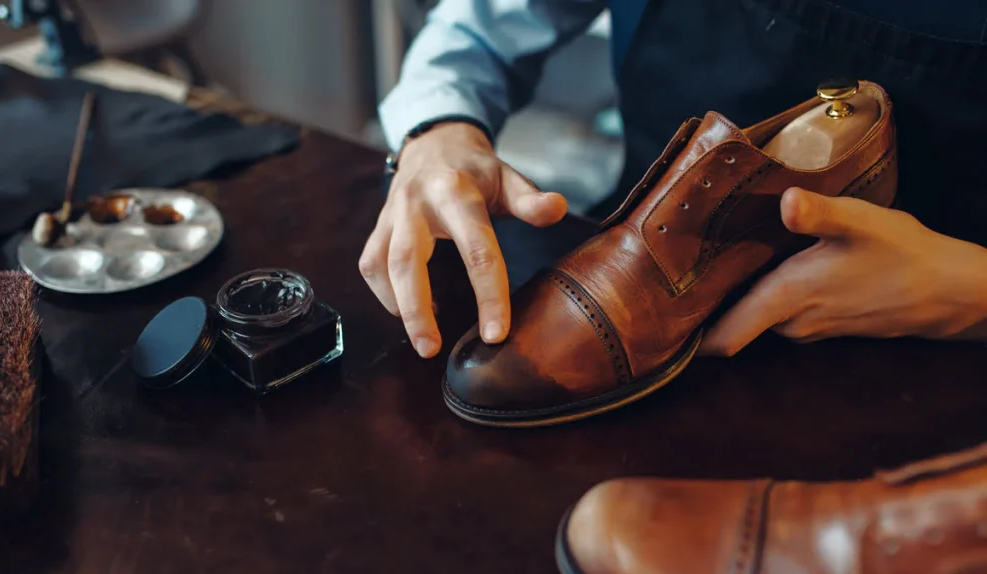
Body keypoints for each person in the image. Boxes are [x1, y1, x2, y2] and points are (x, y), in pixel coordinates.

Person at [362, 0, 987, 360]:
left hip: (946, 355)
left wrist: (971, 294)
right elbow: (478, 27)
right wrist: (438, 131)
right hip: (634, 276)